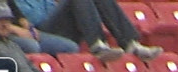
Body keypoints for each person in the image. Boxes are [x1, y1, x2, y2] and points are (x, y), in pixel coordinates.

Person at [11, 0, 160, 61]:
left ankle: (131, 44)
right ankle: (97, 45)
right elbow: (29, 18)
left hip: (55, 25)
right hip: (36, 30)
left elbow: (50, 7)